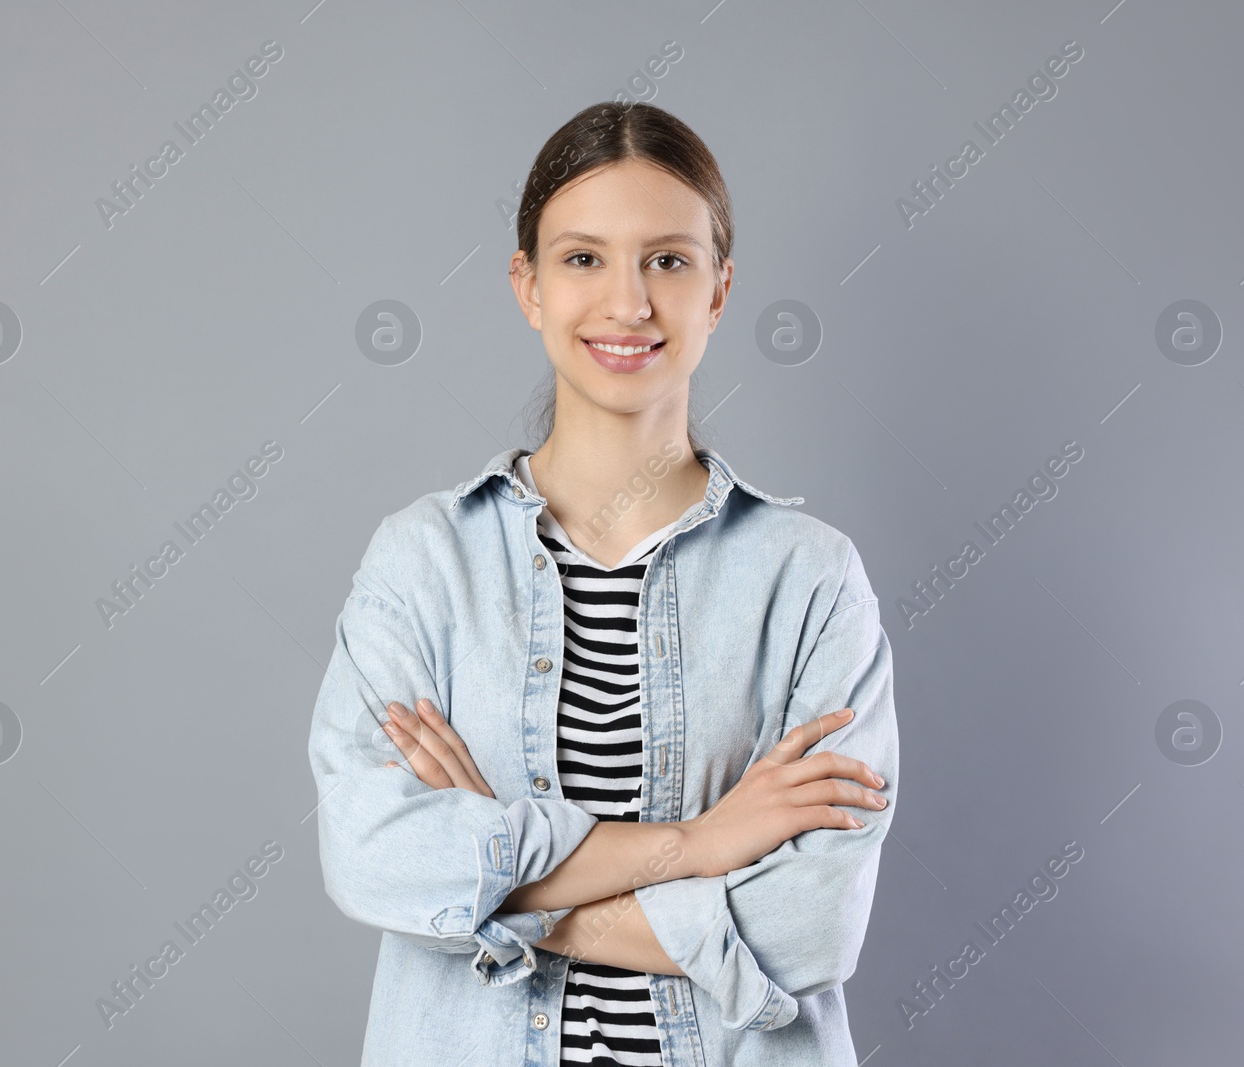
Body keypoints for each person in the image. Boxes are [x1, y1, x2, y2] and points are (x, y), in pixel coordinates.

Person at [308, 100, 898, 1067]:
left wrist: (500, 885)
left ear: (719, 288)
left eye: (668, 260)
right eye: (584, 258)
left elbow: (813, 928)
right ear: (527, 284)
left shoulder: (810, 580)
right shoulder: (421, 563)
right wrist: (701, 845)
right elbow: (373, 855)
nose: (628, 303)